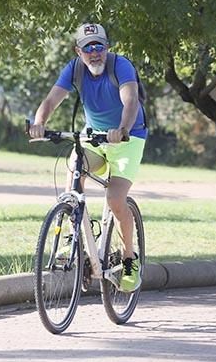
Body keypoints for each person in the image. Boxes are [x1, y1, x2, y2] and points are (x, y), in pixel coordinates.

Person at [28, 22, 146, 292]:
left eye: (99, 46)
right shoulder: (74, 68)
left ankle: (129, 259)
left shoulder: (121, 66)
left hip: (128, 137)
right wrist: (39, 122)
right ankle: (75, 238)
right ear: (78, 51)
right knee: (74, 171)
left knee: (116, 200)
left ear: (107, 47)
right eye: (88, 48)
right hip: (94, 136)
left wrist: (123, 129)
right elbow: (51, 100)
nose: (95, 53)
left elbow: (131, 101)